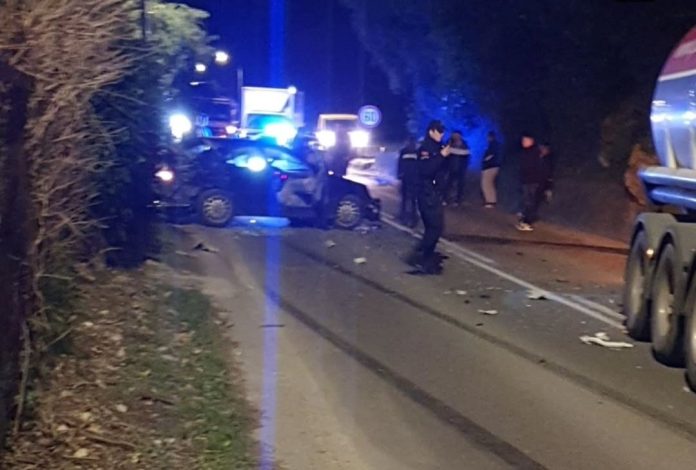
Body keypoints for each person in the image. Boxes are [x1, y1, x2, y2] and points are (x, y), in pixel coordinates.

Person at [406, 120, 451, 274]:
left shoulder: (438, 147)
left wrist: (445, 155)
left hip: (434, 193)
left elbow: (444, 170)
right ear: (431, 131)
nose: (442, 134)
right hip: (427, 193)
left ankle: (423, 255)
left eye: (443, 131)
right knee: (435, 227)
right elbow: (426, 170)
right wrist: (441, 156)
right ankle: (421, 257)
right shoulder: (425, 148)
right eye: (439, 131)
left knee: (434, 228)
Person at [516, 132, 544, 232]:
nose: (523, 142)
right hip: (526, 180)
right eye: (523, 140)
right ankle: (524, 220)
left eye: (525, 140)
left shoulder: (534, 153)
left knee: (530, 202)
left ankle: (527, 221)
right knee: (527, 201)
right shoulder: (525, 152)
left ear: (531, 141)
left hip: (532, 180)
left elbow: (535, 167)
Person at [397, 136, 419, 227]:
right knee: (406, 198)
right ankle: (404, 215)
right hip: (407, 178)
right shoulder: (404, 151)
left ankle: (412, 217)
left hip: (412, 178)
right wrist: (399, 175)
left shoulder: (417, 152)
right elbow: (400, 164)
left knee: (411, 199)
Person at [445, 131, 471, 206]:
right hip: (451, 168)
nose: (455, 137)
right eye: (454, 135)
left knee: (460, 184)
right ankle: (446, 199)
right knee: (449, 183)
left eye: (457, 135)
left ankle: (458, 200)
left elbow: (466, 155)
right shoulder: (449, 142)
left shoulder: (464, 145)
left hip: (461, 168)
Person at [480, 131, 501, 208]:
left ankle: (490, 201)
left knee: (486, 184)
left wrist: (485, 160)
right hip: (494, 166)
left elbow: (490, 155)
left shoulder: (493, 145)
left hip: (490, 166)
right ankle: (491, 201)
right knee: (490, 183)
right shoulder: (496, 145)